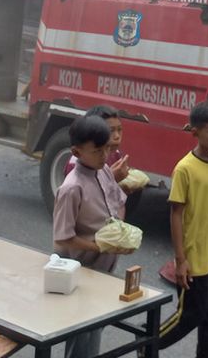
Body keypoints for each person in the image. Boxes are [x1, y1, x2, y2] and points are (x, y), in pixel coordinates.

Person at [52, 115, 133, 358]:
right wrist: (100, 246)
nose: (104, 155)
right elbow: (63, 238)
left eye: (107, 148)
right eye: (97, 150)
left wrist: (120, 233)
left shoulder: (104, 171)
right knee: (79, 334)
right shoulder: (71, 188)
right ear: (76, 151)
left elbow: (117, 202)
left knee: (96, 324)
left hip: (101, 267)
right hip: (79, 269)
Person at [158, 101, 208, 358]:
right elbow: (176, 214)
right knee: (190, 316)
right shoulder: (184, 169)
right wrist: (180, 260)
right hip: (194, 259)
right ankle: (147, 344)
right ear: (195, 132)